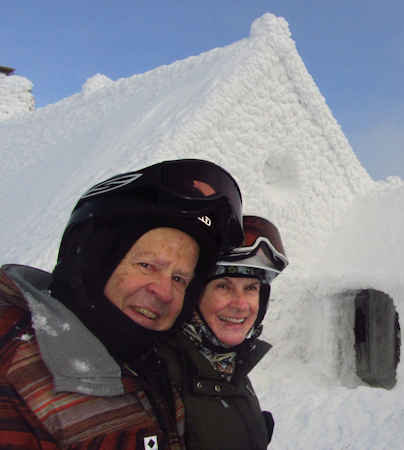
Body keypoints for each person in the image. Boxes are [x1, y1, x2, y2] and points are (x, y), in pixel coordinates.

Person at [0, 159, 244, 449]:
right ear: (92, 260)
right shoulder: (14, 373)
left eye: (180, 278)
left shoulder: (152, 365)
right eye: (146, 265)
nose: (164, 292)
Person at [162, 215, 288, 450]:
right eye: (223, 286)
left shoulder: (229, 367)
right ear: (194, 295)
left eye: (251, 288)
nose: (241, 304)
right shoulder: (160, 382)